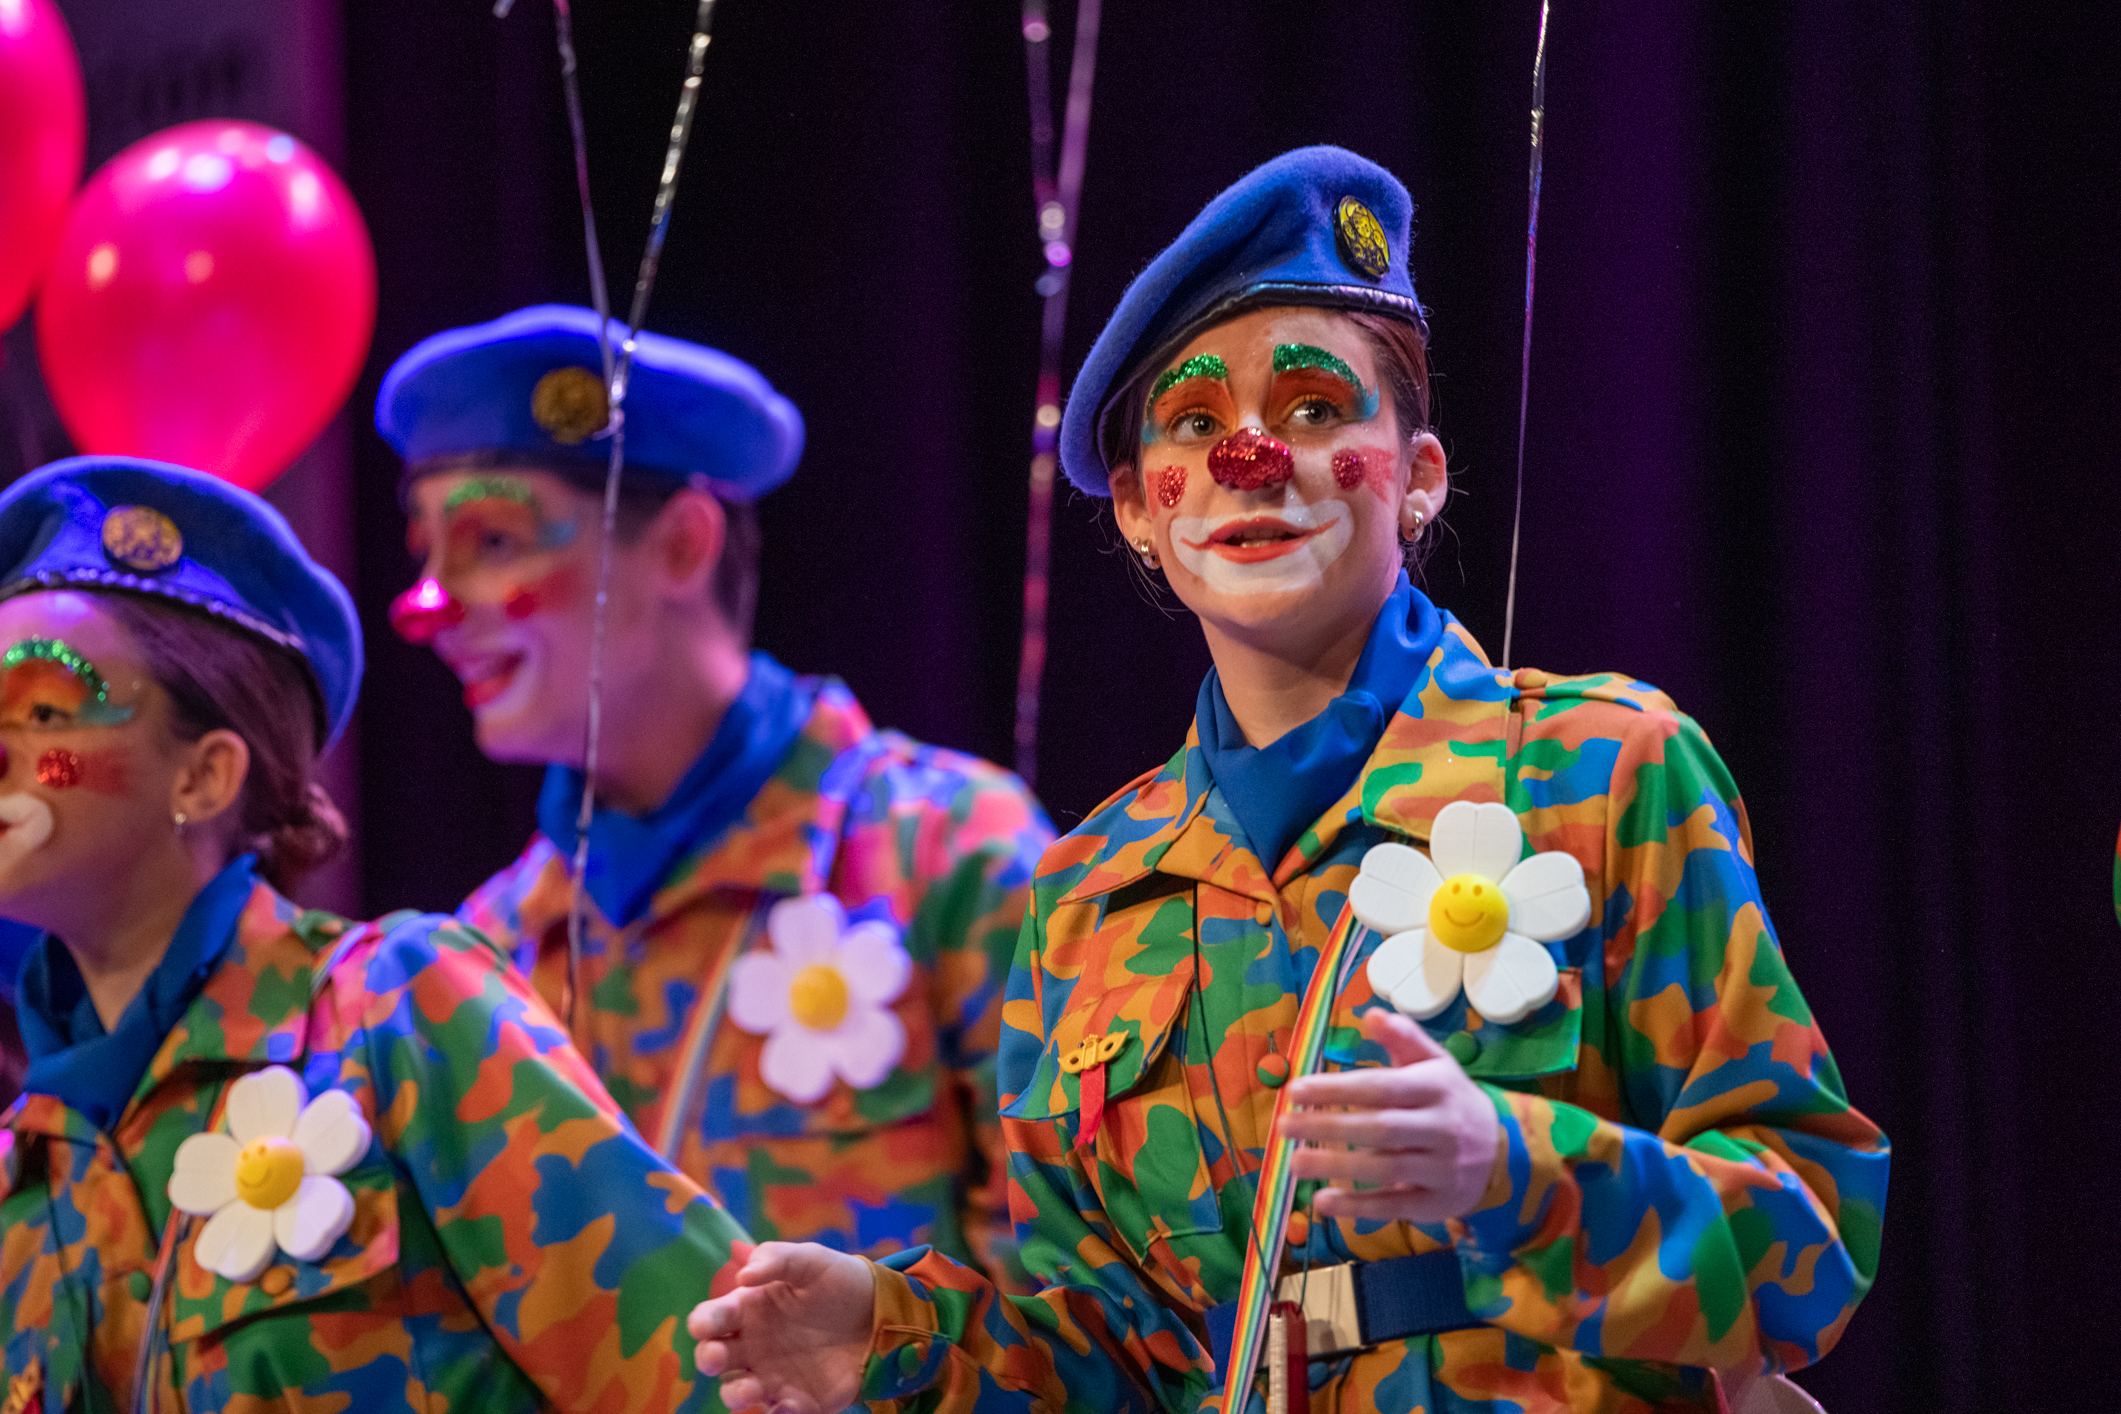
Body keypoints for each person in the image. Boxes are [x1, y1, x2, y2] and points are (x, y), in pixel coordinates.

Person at [686, 147, 1890, 1414]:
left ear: (1418, 476)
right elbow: (1109, 1353)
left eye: (1316, 408)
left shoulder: (1602, 771)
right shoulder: (1093, 891)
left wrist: (1511, 1172)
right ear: (1145, 516)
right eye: (1194, 425)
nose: (1250, 456)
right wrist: (887, 1343)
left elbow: (1808, 1244)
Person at [0, 456, 751, 1413]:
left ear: (204, 777)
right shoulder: (26, 1174)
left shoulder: (397, 1010)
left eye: (44, 710)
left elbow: (721, 1374)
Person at [374, 308, 1053, 1285]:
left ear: (685, 545)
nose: (425, 607)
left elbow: (1073, 1311)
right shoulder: (490, 954)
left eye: (490, 540)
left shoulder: (948, 855)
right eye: (425, 553)